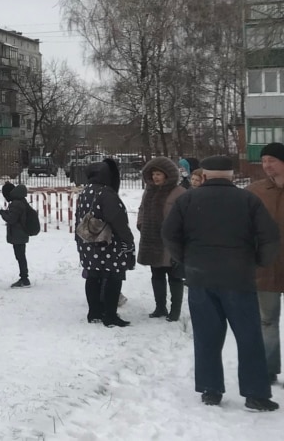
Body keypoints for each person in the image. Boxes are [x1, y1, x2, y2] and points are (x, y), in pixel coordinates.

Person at [164, 155, 280, 411]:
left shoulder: (187, 200)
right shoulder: (249, 200)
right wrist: (259, 261)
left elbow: (169, 234)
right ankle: (255, 394)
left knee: (206, 337)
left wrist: (186, 260)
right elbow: (270, 237)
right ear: (233, 176)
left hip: (200, 279)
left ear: (203, 176)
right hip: (239, 279)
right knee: (249, 337)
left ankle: (210, 389)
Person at [74, 158, 135, 327]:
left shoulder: (86, 191)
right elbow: (117, 219)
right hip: (107, 242)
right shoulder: (105, 193)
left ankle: (94, 312)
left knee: (93, 276)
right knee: (113, 276)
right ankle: (110, 315)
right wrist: (128, 240)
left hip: (87, 241)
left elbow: (78, 216)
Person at [245, 143, 284, 390]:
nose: (267, 165)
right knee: (267, 321)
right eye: (264, 160)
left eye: (272, 159)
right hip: (266, 267)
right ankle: (269, 369)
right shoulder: (254, 192)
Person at [136, 157, 186, 320]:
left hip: (171, 242)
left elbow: (186, 216)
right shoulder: (149, 191)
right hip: (152, 240)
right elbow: (142, 209)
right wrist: (141, 223)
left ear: (167, 175)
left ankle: (175, 310)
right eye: (153, 174)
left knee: (174, 276)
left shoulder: (179, 192)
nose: (156, 177)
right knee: (156, 274)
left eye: (159, 174)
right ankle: (160, 307)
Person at [0, 182, 34, 288]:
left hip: (18, 233)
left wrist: (3, 213)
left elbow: (12, 219)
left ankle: (24, 278)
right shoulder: (20, 200)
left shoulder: (16, 203)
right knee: (21, 256)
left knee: (20, 256)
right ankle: (24, 277)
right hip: (21, 233)